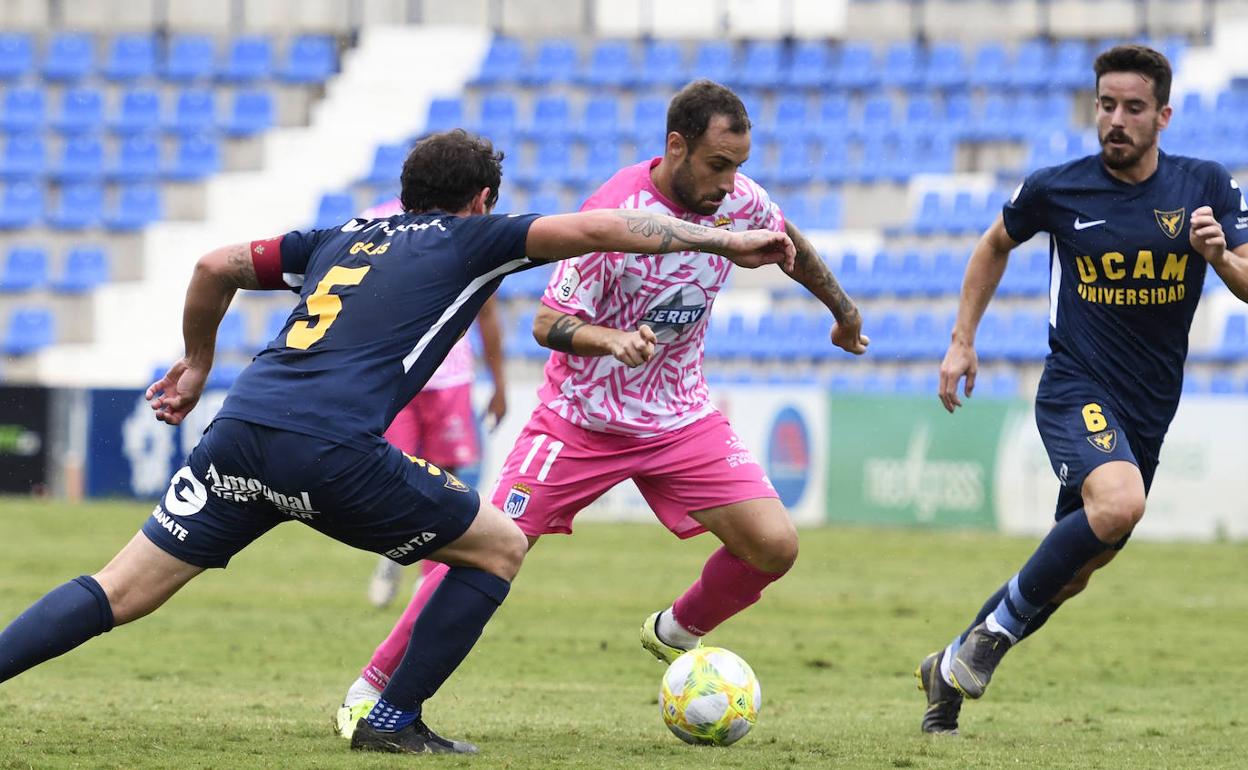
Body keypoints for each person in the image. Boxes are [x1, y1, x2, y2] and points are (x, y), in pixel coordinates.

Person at [0, 129, 796, 756]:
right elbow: (599, 225)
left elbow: (214, 264)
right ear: (481, 200)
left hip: (238, 433)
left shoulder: (341, 235)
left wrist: (198, 364)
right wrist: (724, 243)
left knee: (120, 589)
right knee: (497, 546)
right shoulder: (472, 239)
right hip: (329, 447)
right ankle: (392, 717)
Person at [334, 80, 868, 737]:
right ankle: (372, 690)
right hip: (577, 420)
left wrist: (842, 314)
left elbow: (787, 242)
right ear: (677, 147)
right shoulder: (615, 213)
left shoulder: (740, 202)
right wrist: (609, 340)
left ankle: (676, 630)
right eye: (718, 165)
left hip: (678, 416)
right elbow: (547, 320)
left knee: (774, 546)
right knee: (478, 549)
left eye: (739, 167)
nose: (731, 184)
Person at [916, 45, 1248, 735]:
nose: (1115, 121)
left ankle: (949, 663)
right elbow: (992, 245)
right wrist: (961, 339)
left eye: (1132, 108)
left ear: (1164, 114)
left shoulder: (1206, 184)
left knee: (1074, 571)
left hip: (1149, 407)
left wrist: (1218, 258)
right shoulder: (1057, 187)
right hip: (1075, 384)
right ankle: (991, 643)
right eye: (1105, 106)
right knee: (1121, 501)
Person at [358, 196, 508, 609]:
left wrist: (499, 383)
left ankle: (429, 581)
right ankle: (393, 554)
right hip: (395, 375)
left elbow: (487, 312)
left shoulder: (471, 226)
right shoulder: (375, 220)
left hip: (450, 378)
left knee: (445, 483)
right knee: (393, 477)